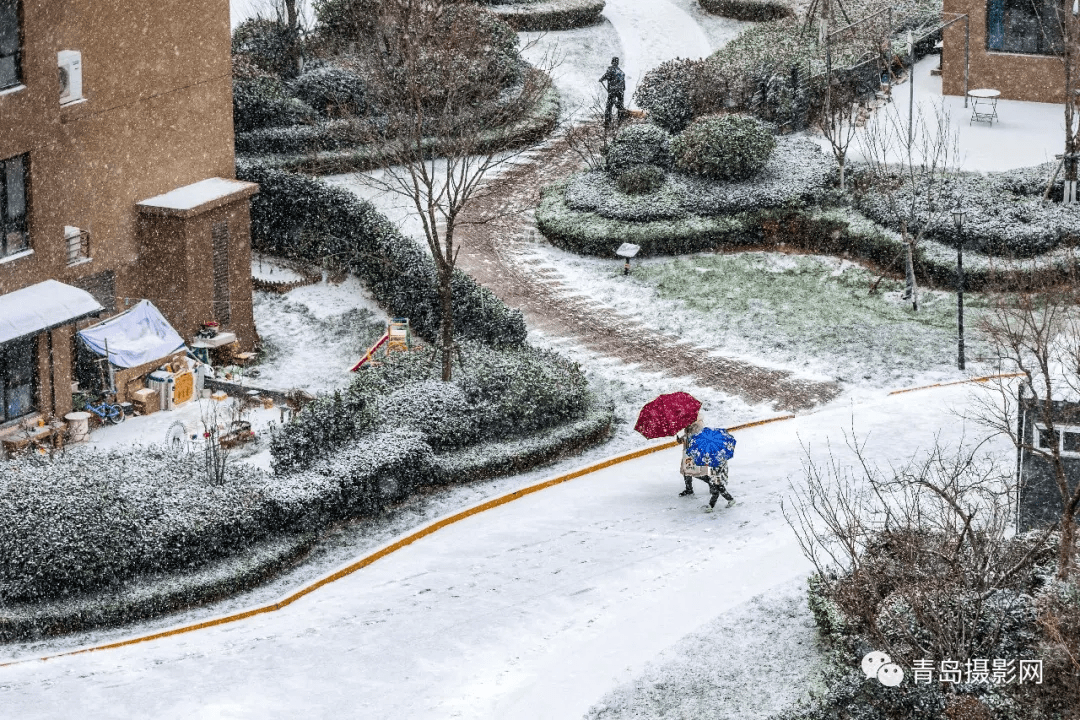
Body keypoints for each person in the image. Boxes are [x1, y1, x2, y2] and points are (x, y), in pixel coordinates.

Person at [676, 415, 736, 509]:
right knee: (718, 489)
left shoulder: (697, 426)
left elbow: (696, 438)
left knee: (716, 488)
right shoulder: (717, 453)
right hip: (697, 456)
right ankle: (722, 500)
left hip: (697, 455)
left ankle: (716, 501)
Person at [599, 56, 626, 129]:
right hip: (620, 91)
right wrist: (620, 89)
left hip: (613, 90)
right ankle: (620, 122)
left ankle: (607, 123)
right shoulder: (621, 72)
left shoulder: (610, 69)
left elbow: (607, 75)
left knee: (609, 107)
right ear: (617, 63)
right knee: (620, 107)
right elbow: (624, 86)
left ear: (612, 62)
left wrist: (601, 79)